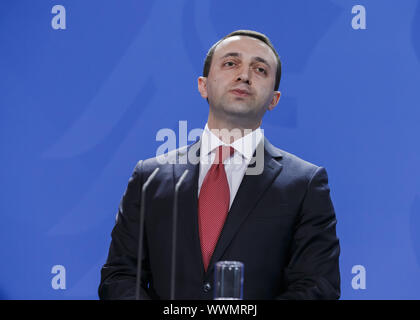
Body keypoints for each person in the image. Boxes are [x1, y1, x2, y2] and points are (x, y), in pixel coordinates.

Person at [98, 30, 340, 300]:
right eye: (230, 63)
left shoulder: (304, 184)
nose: (244, 76)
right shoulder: (149, 177)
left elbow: (317, 287)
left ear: (274, 99)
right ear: (203, 85)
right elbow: (119, 277)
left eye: (260, 69)